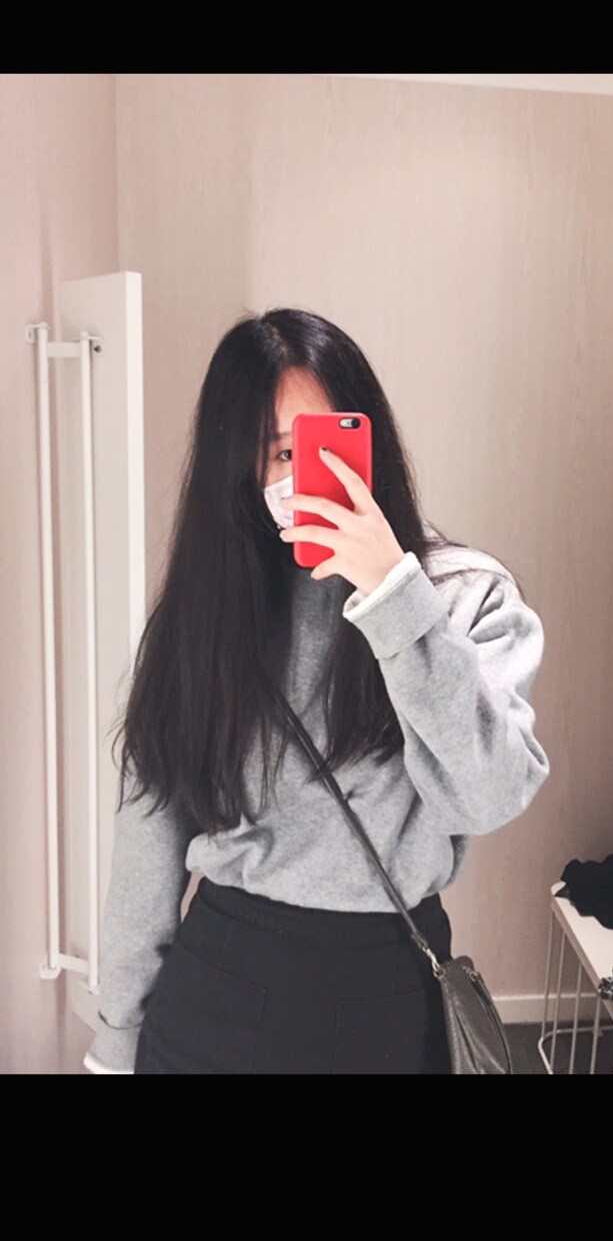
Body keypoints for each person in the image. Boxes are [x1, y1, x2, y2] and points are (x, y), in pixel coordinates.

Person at [83, 308, 550, 1074]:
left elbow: (488, 797)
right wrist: (115, 1040)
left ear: (372, 441)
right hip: (221, 984)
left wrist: (393, 594)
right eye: (280, 452)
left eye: (330, 442)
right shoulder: (205, 617)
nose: (307, 475)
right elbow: (147, 843)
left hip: (390, 984)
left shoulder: (465, 596)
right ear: (241, 469)